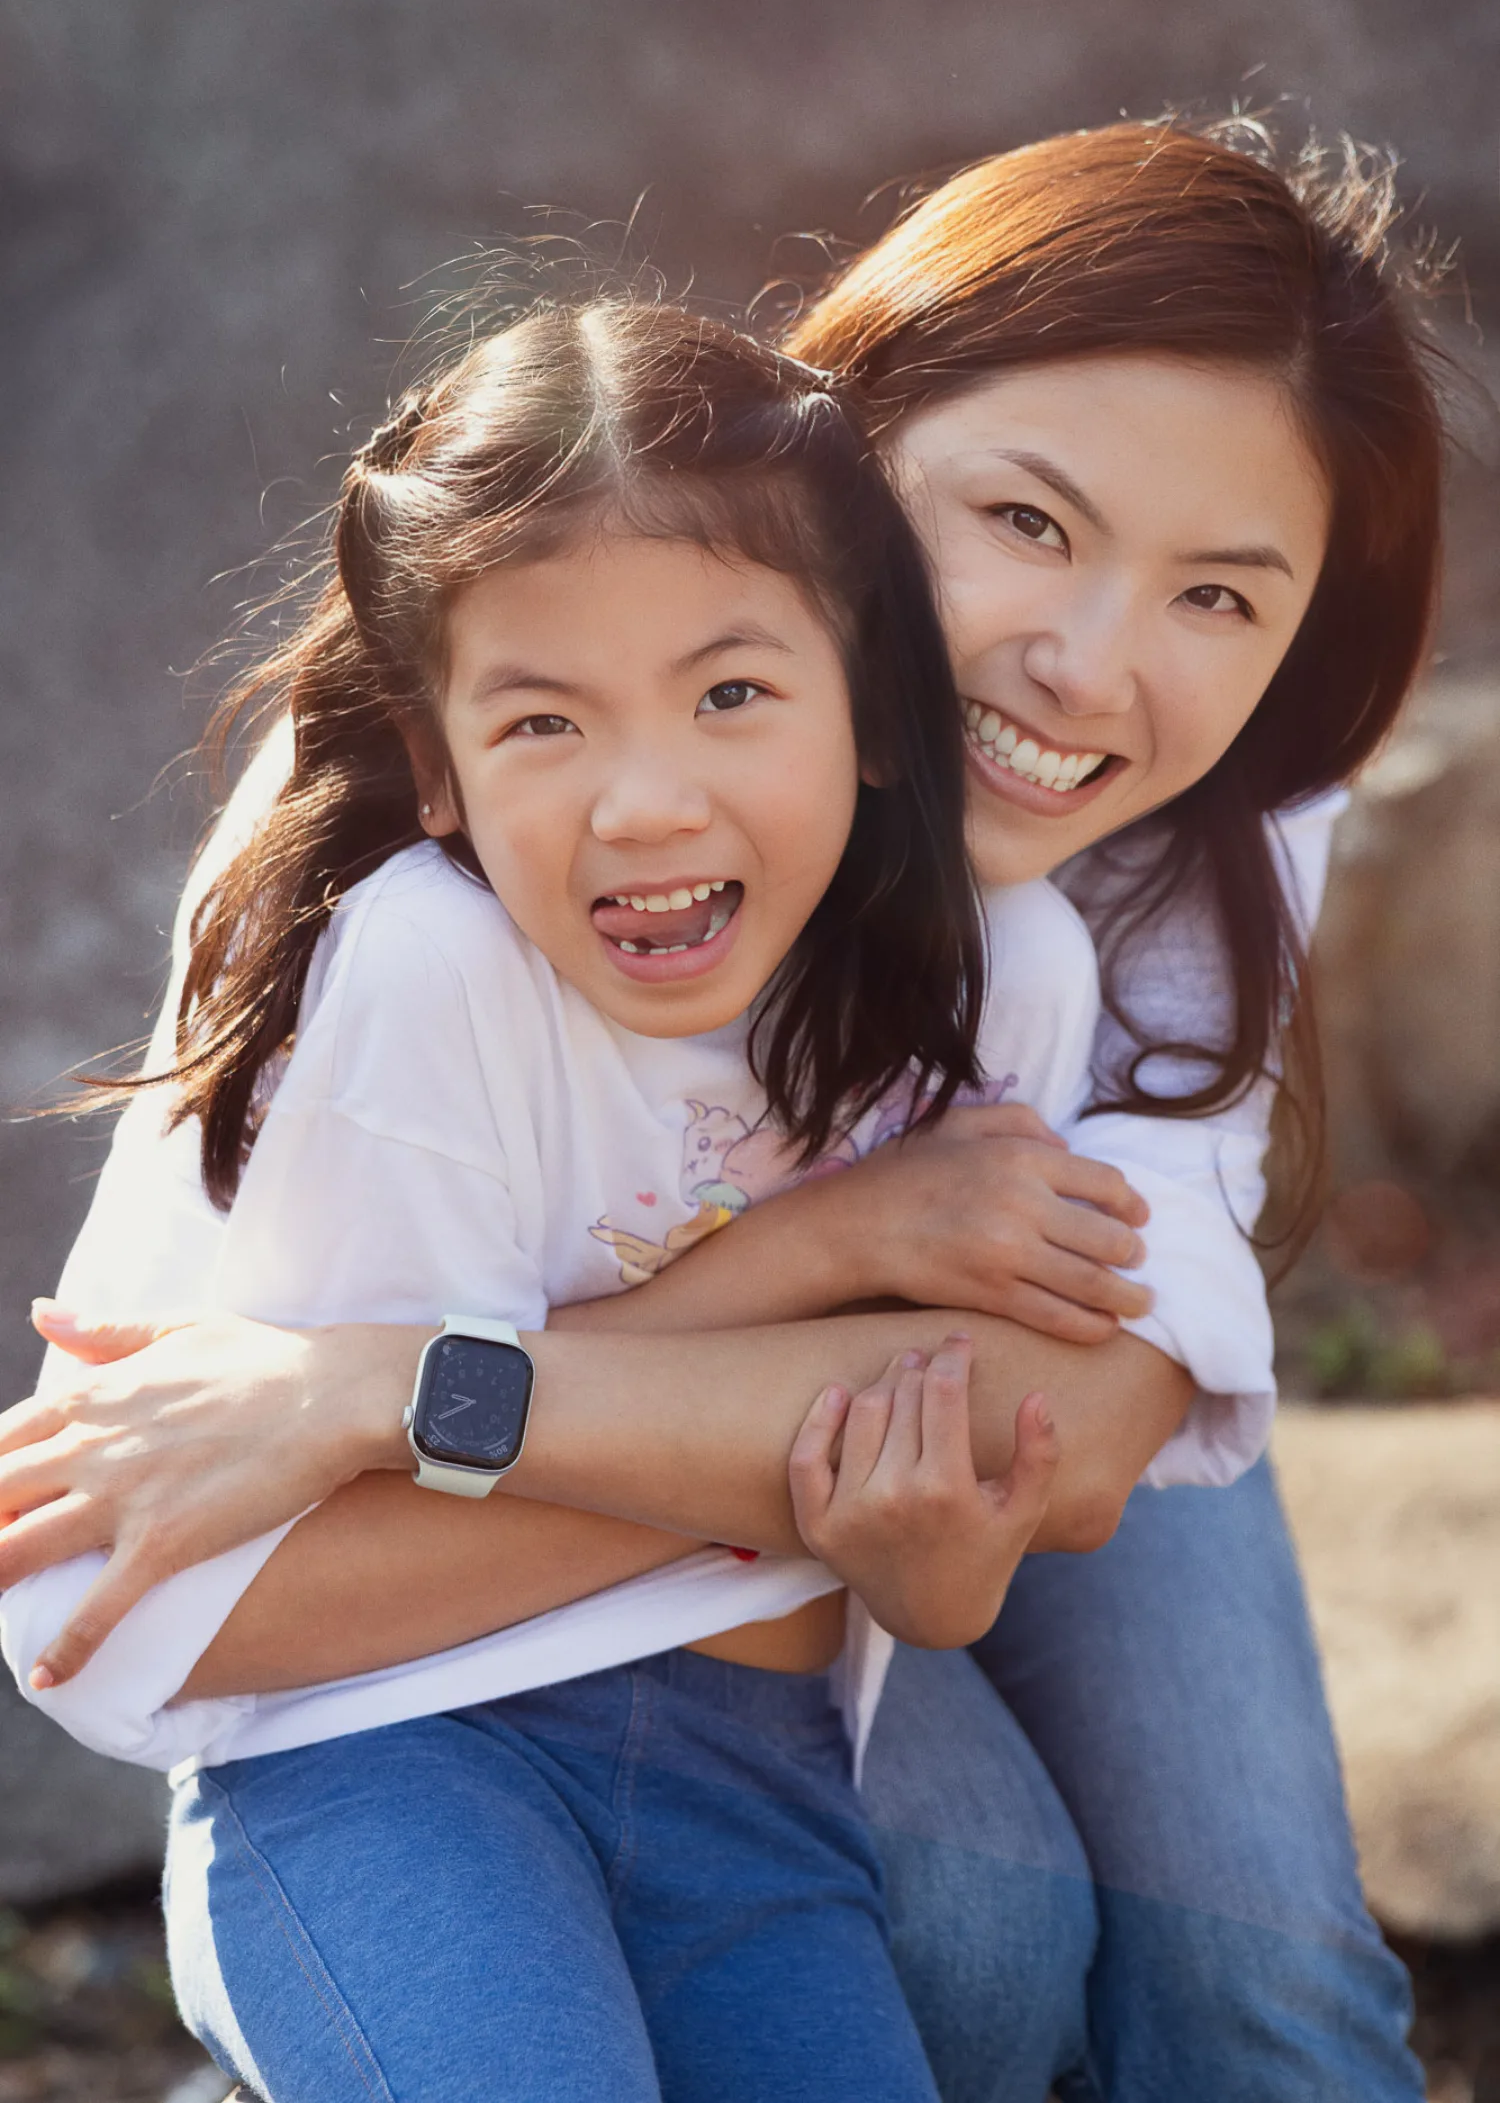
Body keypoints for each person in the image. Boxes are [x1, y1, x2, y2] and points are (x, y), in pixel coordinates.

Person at [0, 120, 1442, 2101]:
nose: (1089, 662)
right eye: (1024, 521)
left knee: (1257, 1987)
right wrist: (814, 1313)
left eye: (1220, 594)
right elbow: (156, 1584)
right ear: (855, 459)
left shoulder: (1157, 885)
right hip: (441, 1694)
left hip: (878, 1515)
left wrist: (386, 1390)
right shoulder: (442, 885)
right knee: (983, 1941)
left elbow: (1052, 1443)